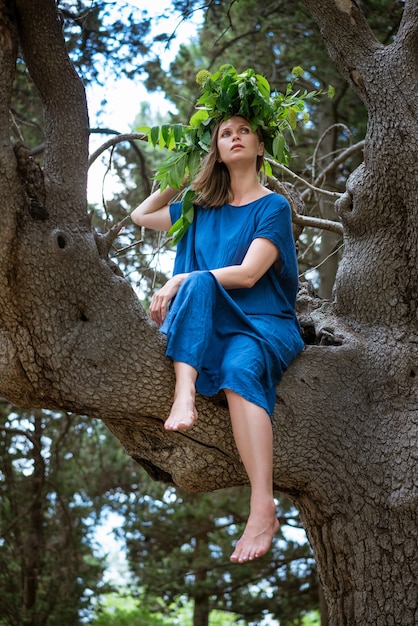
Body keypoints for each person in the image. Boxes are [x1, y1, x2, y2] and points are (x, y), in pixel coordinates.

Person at [131, 114, 304, 564]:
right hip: (210, 322)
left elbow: (248, 274)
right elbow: (141, 215)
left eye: (244, 130)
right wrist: (181, 174)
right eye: (224, 134)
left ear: (261, 145)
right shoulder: (200, 208)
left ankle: (261, 504)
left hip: (264, 321)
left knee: (237, 368)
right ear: (217, 150)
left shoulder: (274, 207)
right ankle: (183, 396)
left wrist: (182, 279)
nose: (234, 137)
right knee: (200, 286)